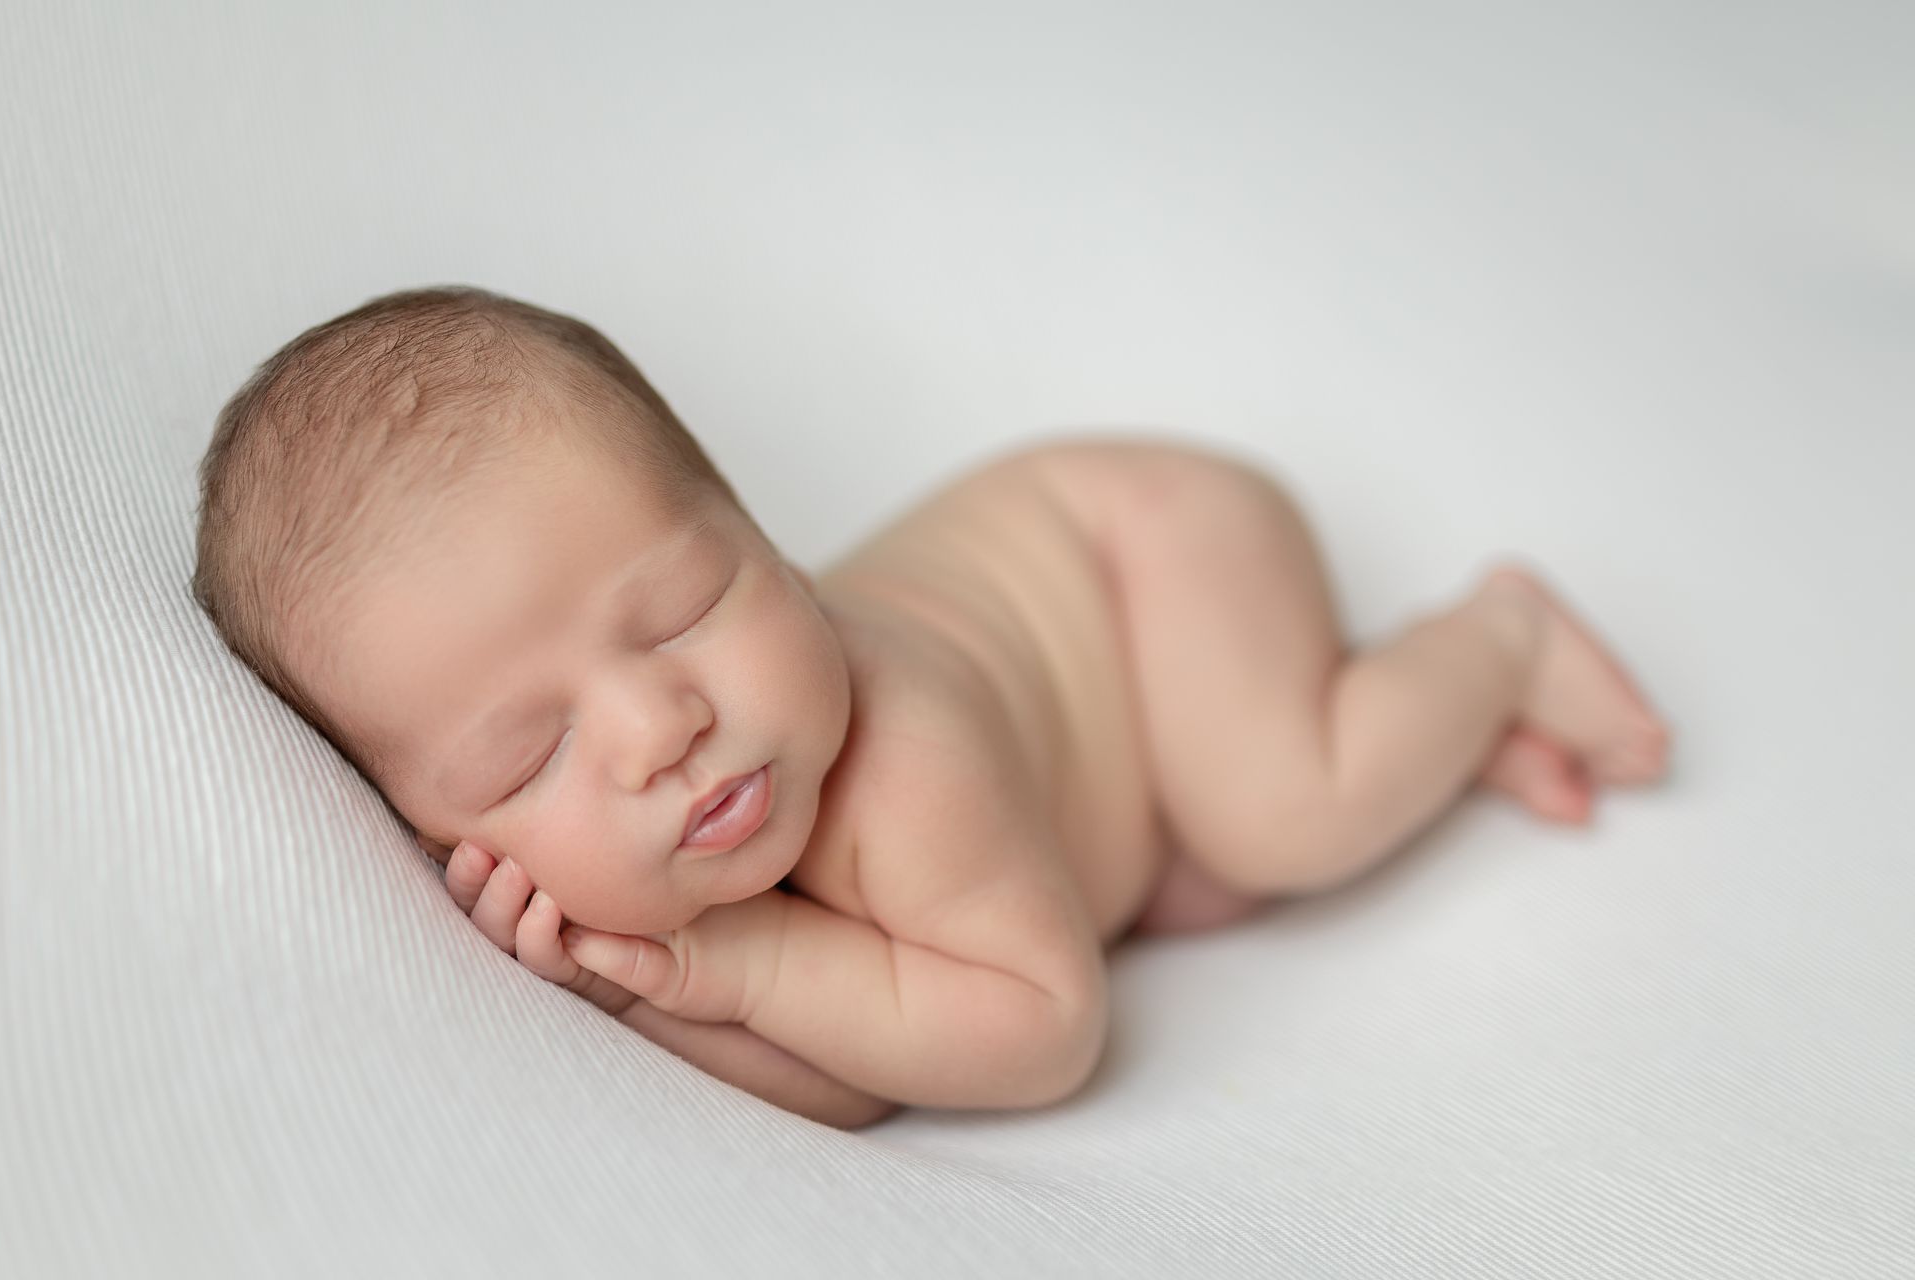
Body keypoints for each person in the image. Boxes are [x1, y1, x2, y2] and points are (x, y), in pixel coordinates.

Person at [191, 285, 1671, 1130]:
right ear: (441, 837)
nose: (661, 729)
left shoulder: (903, 756)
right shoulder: (673, 859)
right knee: (1208, 865)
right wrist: (628, 988)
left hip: (1141, 552)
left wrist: (737, 968)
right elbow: (858, 1088)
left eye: (689, 607)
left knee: (1280, 816)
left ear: (765, 535)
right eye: (534, 753)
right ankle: (1417, 727)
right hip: (1099, 714)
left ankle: (1496, 644)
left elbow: (1038, 1029)